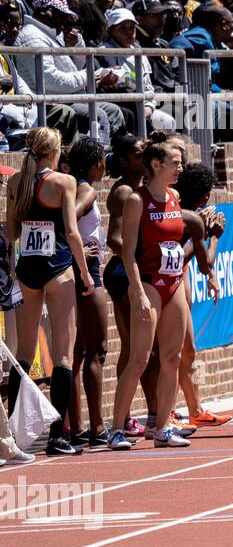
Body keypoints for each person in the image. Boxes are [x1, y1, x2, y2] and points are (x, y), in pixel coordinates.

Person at [107, 136, 213, 450]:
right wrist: (137, 292)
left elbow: (179, 241)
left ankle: (162, 427)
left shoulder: (174, 196)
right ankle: (116, 429)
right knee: (139, 358)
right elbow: (127, 252)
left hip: (174, 281)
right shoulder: (136, 200)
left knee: (172, 357)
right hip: (149, 282)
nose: (180, 167)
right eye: (175, 162)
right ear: (156, 165)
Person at [5, 127, 94, 456]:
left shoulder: (16, 182)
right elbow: (72, 232)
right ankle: (58, 436)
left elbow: (11, 228)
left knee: (24, 353)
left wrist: (15, 267)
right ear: (55, 152)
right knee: (63, 354)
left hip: (28, 269)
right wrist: (85, 272)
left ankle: (12, 436)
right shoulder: (64, 183)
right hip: (58, 269)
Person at [174, 160, 231, 429]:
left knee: (188, 350)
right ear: (205, 195)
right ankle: (165, 411)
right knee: (171, 352)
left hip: (177, 278)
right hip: (166, 283)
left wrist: (211, 277)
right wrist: (213, 236)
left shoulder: (189, 214)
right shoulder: (185, 215)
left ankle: (194, 409)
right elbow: (197, 258)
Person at [102, 134, 150, 439]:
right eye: (137, 154)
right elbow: (113, 239)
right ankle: (126, 416)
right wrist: (140, 261)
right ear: (123, 161)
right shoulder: (123, 191)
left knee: (142, 348)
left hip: (137, 270)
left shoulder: (144, 189)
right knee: (134, 348)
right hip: (123, 272)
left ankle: (154, 410)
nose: (143, 158)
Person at [65, 136, 110, 447]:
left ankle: (78, 426)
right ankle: (97, 428)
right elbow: (68, 220)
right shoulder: (87, 189)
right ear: (97, 163)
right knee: (97, 350)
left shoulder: (72, 186)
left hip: (77, 271)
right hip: (87, 275)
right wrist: (79, 253)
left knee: (76, 353)